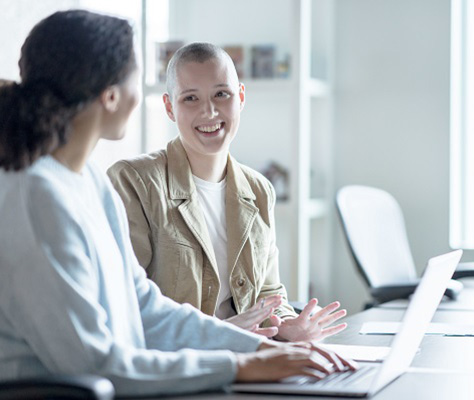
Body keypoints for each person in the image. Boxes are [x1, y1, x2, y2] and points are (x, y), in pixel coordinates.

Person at [0, 10, 355, 397]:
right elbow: (94, 364)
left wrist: (261, 350)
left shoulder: (85, 181)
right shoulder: (34, 197)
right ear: (110, 94)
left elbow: (144, 306)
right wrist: (239, 366)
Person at [107, 42, 347, 341]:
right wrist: (219, 331)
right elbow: (127, 304)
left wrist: (287, 326)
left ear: (241, 97)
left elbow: (270, 294)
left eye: (222, 94)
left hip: (249, 357)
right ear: (169, 107)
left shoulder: (259, 190)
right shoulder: (134, 181)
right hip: (184, 363)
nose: (209, 111)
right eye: (190, 98)